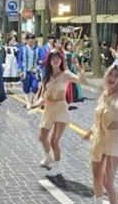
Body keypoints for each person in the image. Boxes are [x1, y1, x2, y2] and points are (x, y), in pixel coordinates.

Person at [83, 65, 118, 204]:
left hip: (114, 140)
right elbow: (98, 119)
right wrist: (89, 132)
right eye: (111, 74)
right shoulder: (104, 94)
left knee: (108, 180)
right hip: (99, 138)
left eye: (116, 76)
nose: (112, 78)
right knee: (97, 176)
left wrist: (117, 102)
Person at [30, 49, 86, 177]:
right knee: (42, 137)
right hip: (49, 109)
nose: (55, 60)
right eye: (53, 58)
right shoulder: (46, 76)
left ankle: (57, 167)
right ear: (49, 61)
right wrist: (34, 105)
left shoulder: (66, 74)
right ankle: (48, 157)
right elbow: (43, 97)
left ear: (61, 60)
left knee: (54, 141)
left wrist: (79, 68)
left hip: (61, 108)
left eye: (58, 58)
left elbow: (82, 81)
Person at [18, 34, 41, 109]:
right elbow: (20, 60)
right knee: (26, 88)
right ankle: (28, 101)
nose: (31, 40)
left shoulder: (38, 49)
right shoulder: (22, 49)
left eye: (33, 39)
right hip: (25, 72)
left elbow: (40, 61)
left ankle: (30, 101)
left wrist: (37, 68)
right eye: (29, 39)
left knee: (35, 86)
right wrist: (20, 71)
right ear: (27, 40)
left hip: (34, 72)